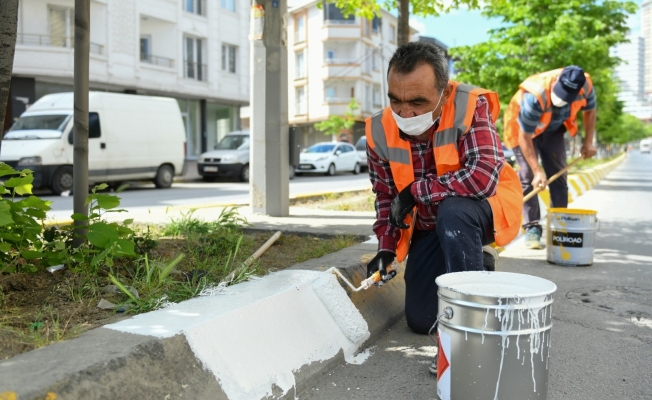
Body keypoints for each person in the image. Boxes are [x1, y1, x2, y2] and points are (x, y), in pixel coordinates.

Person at [364, 42, 523, 373]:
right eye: (396, 100)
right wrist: (386, 248)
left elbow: (481, 178)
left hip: (477, 211)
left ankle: (472, 335)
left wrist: (416, 192)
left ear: (444, 92)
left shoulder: (468, 105)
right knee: (421, 319)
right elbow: (384, 197)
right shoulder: (378, 129)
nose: (405, 113)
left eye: (418, 102)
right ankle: (476, 265)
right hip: (430, 228)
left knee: (454, 210)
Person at [503, 66, 597, 249]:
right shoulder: (534, 95)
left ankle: (559, 228)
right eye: (559, 94)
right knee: (529, 176)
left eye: (566, 98)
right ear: (555, 81)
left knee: (559, 177)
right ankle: (532, 228)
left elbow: (590, 111)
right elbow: (525, 136)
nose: (561, 100)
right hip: (522, 130)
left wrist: (588, 142)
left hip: (553, 129)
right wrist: (537, 171)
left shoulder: (586, 85)